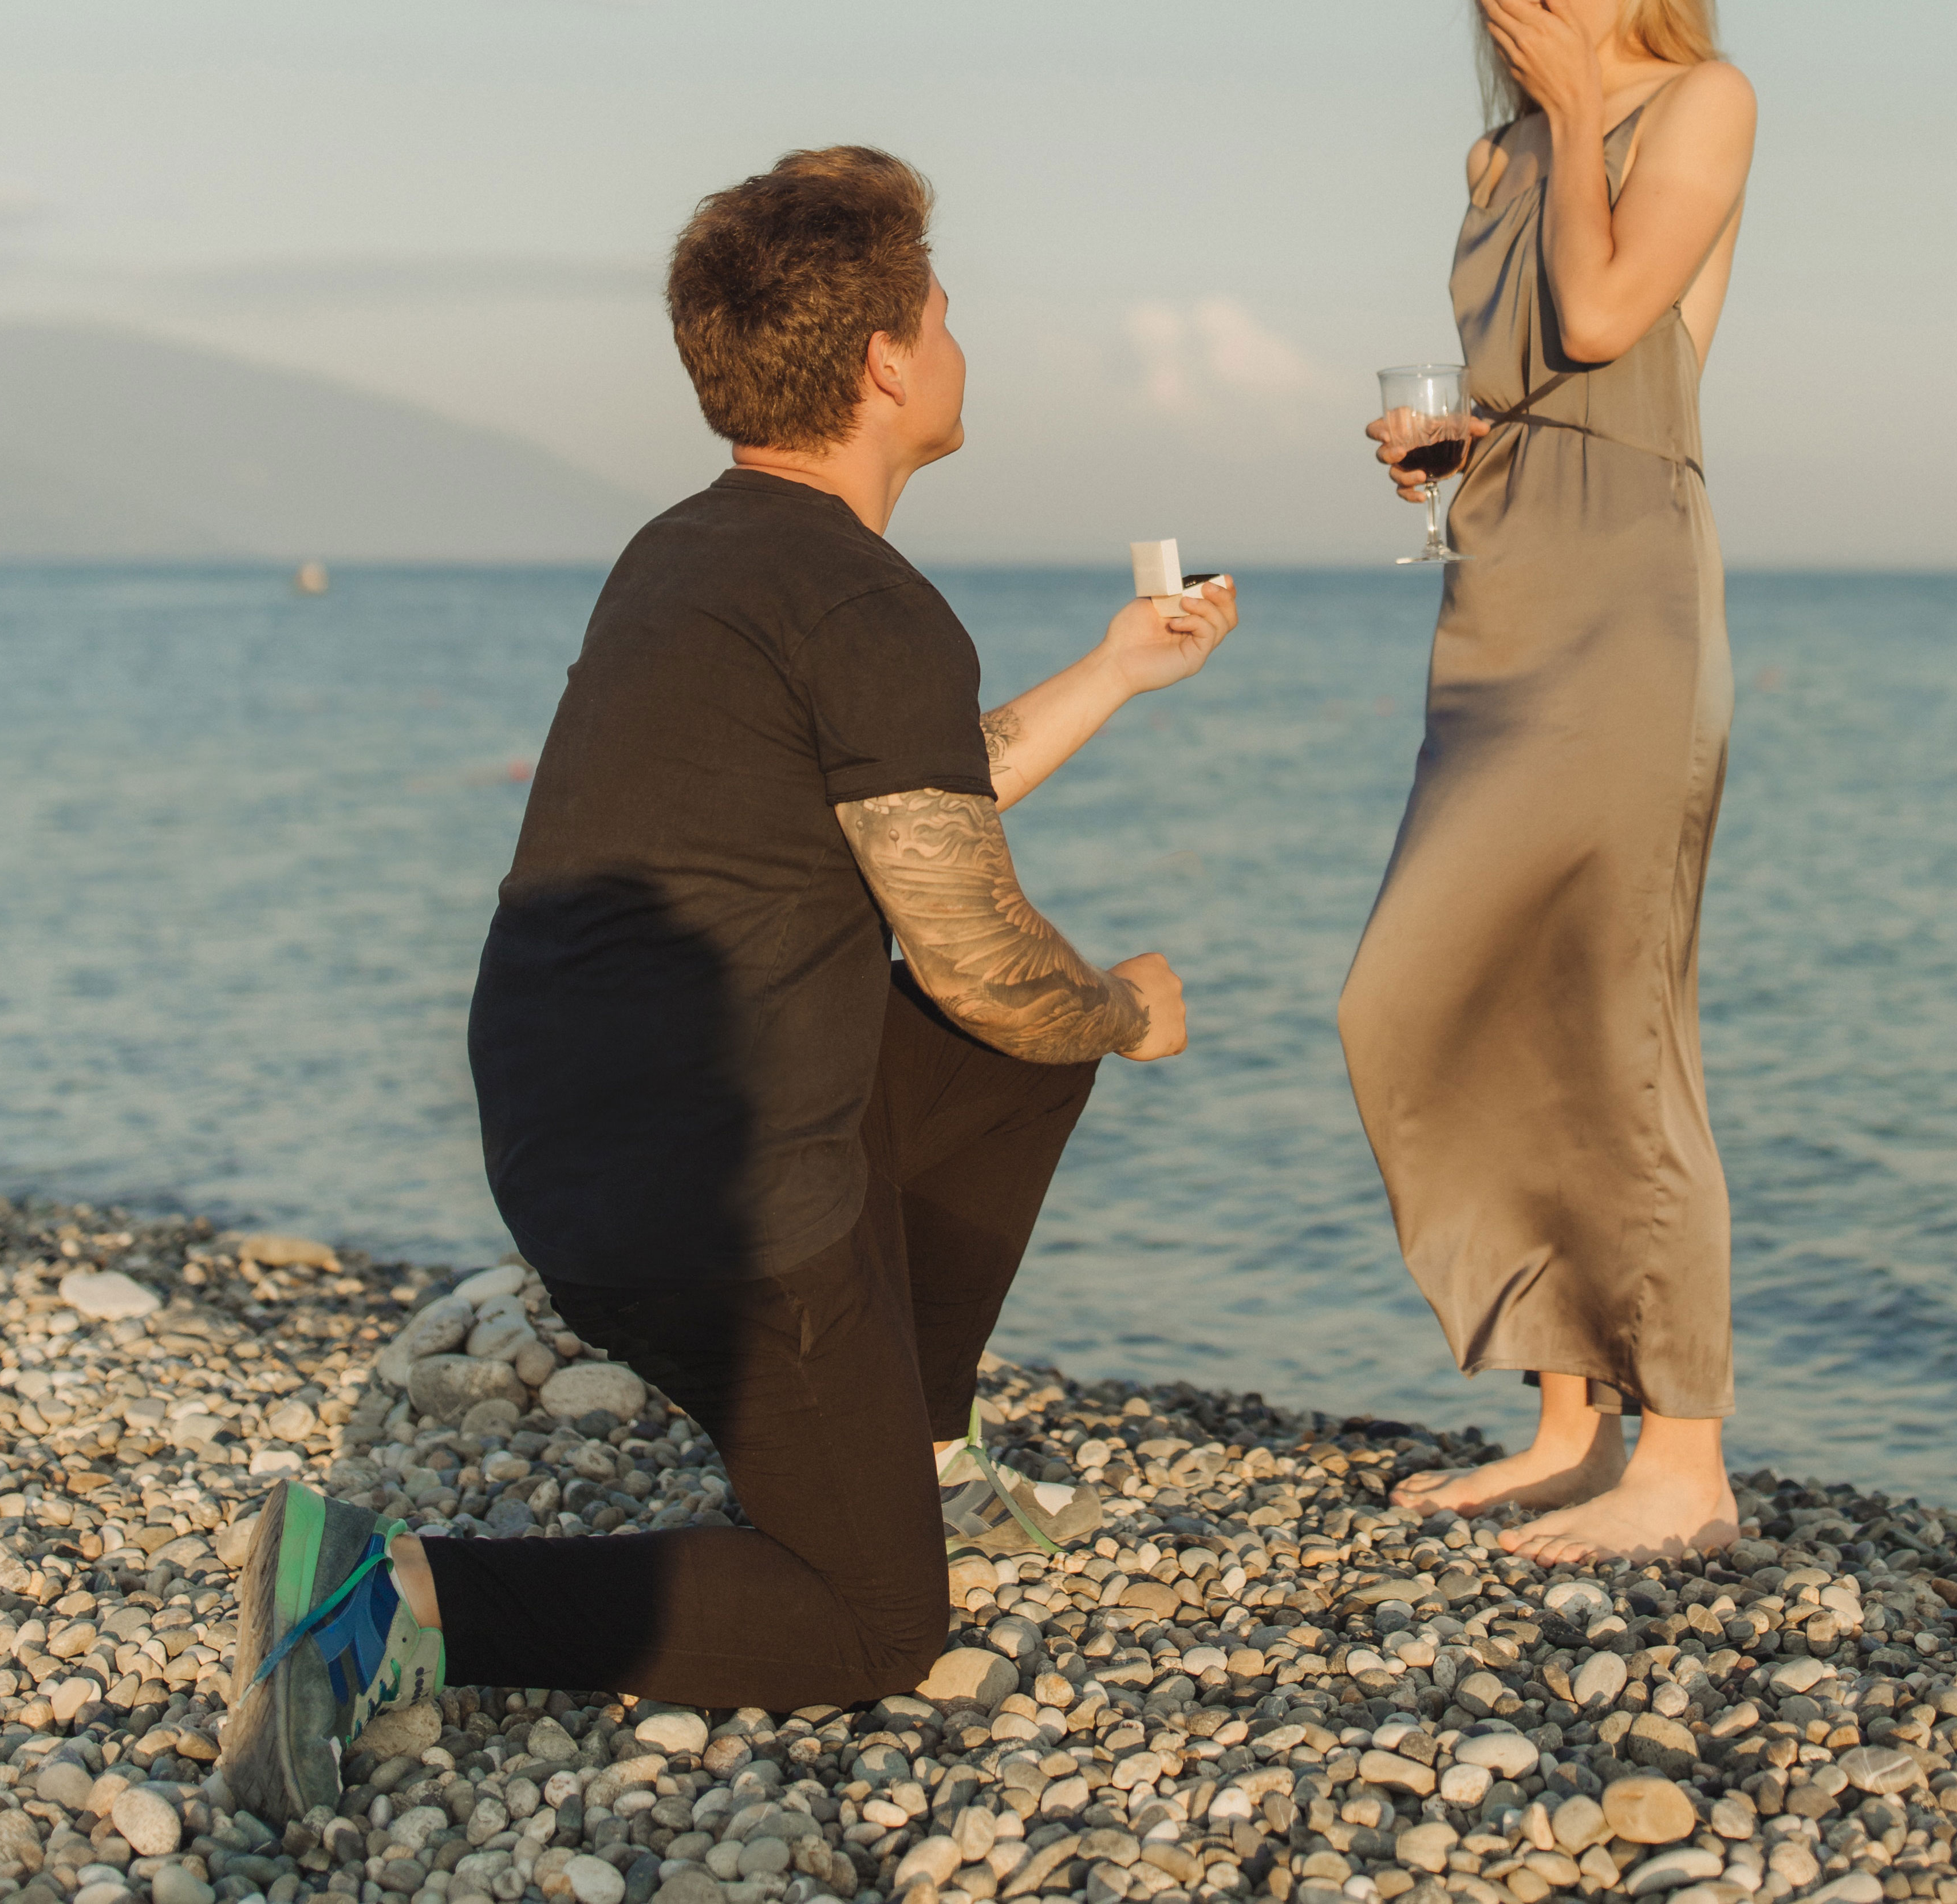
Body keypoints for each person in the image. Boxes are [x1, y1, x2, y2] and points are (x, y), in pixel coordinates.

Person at [219, 145, 1239, 1821]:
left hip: (574, 1154)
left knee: (1020, 1052)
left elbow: (912, 797)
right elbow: (979, 958)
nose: (960, 344)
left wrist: (1117, 673)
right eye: (946, 314)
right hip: (718, 1211)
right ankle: (389, 1602)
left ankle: (917, 1449)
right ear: (889, 362)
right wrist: (1133, 1013)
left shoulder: (692, 554)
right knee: (875, 1622)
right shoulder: (867, 601)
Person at [1337, 0, 1755, 1566]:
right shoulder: (1495, 151)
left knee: (1616, 1014)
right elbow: (1527, 387)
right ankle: (1570, 1428)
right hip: (1500, 585)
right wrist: (1446, 446)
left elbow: (1603, 320)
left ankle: (1686, 1458)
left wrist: (1583, 108)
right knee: (1451, 995)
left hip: (1626, 596)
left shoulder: (1702, 103)